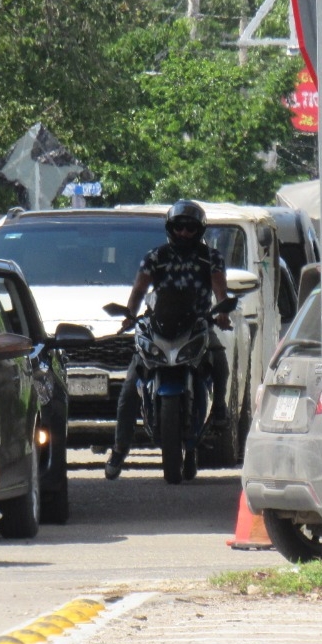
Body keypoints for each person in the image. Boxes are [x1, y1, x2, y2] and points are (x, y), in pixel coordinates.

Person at [104, 200, 232, 480]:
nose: (184, 233)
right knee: (128, 389)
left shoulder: (211, 258)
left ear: (199, 230)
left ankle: (220, 408)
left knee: (220, 361)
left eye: (190, 227)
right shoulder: (155, 256)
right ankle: (119, 450)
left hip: (197, 325)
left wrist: (221, 313)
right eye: (179, 227)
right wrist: (130, 314)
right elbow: (139, 290)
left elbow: (220, 290)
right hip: (159, 327)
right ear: (170, 228)